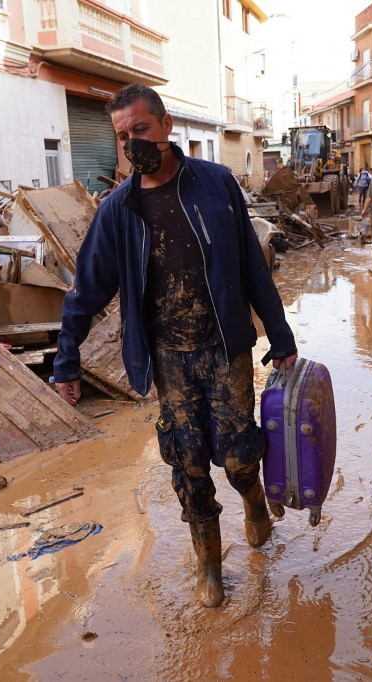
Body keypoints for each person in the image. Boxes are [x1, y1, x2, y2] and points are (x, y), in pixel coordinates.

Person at [52, 84, 298, 609]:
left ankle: (253, 503)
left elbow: (253, 267)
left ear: (166, 127)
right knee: (188, 462)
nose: (132, 142)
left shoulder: (215, 184)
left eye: (140, 130)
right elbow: (86, 289)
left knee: (235, 457)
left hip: (225, 345)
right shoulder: (118, 210)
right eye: (123, 136)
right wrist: (66, 361)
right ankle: (210, 565)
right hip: (168, 357)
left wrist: (281, 336)